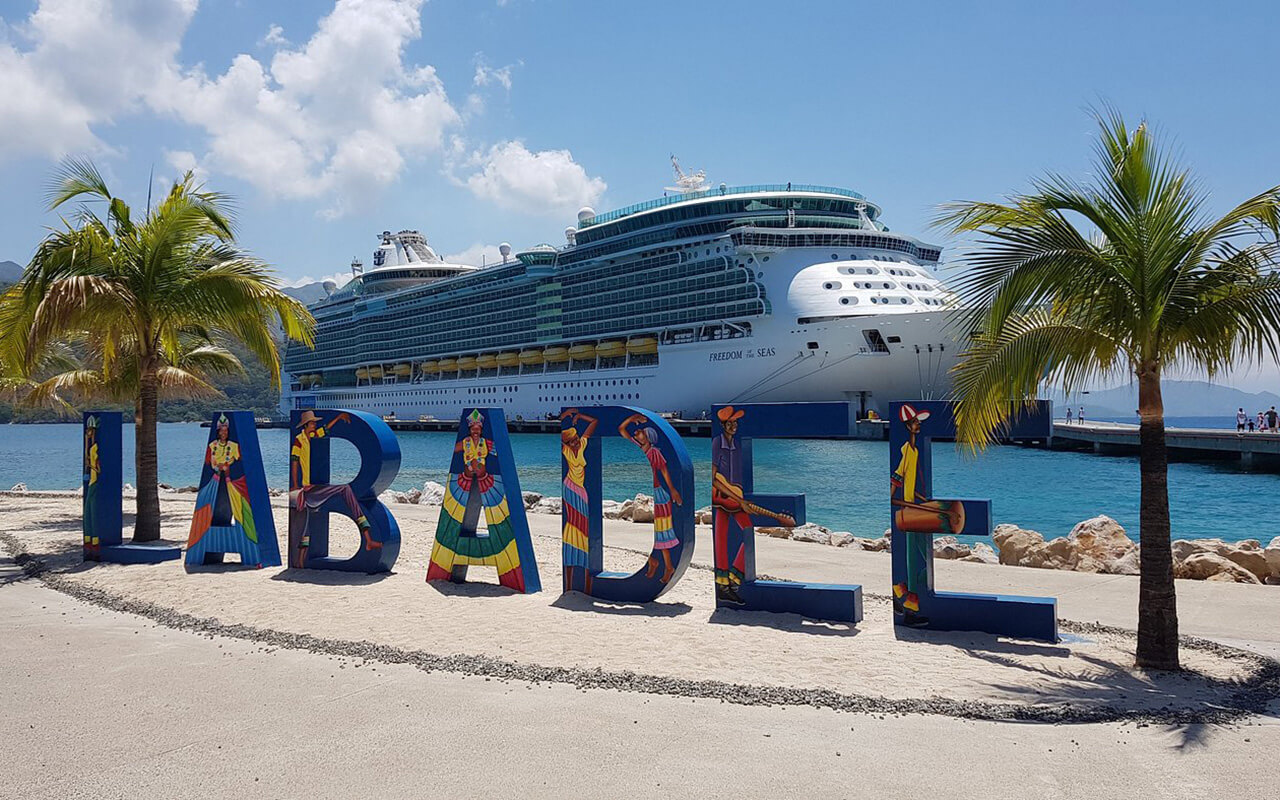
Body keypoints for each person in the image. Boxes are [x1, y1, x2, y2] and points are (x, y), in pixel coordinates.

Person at [711, 406, 795, 604]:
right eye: (730, 423)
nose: (734, 426)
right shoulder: (717, 443)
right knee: (721, 539)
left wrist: (740, 497)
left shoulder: (738, 445)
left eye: (736, 422)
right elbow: (714, 478)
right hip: (722, 497)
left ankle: (733, 576)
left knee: (748, 532)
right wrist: (739, 499)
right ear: (722, 425)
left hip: (735, 497)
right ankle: (723, 586)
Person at [289, 410, 380, 568]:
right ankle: (368, 538)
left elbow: (326, 429)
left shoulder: (314, 437)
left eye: (315, 422)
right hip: (308, 489)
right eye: (312, 423)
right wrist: (296, 485)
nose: (315, 424)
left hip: (316, 488)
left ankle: (300, 562)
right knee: (344, 491)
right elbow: (295, 463)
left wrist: (338, 418)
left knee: (307, 523)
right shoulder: (298, 441)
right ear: (305, 425)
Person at [619, 413, 683, 583]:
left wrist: (673, 490)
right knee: (657, 532)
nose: (636, 432)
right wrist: (630, 418)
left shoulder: (654, 452)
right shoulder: (639, 448)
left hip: (659, 494)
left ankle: (668, 566)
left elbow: (664, 471)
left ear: (647, 437)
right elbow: (621, 429)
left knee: (663, 532)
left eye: (640, 431)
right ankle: (654, 561)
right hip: (650, 491)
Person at [560, 408, 597, 593]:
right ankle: (569, 582)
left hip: (581, 490)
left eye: (575, 439)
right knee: (573, 524)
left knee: (583, 526)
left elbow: (594, 423)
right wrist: (564, 417)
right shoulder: (566, 450)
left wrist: (578, 415)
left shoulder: (582, 444)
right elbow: (558, 431)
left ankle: (583, 582)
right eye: (571, 441)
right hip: (569, 487)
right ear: (566, 443)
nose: (574, 443)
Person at [82, 415, 100, 558]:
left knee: (91, 508)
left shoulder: (94, 447)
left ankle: (93, 542)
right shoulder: (90, 446)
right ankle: (90, 542)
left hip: (94, 478)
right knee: (89, 508)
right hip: (91, 477)